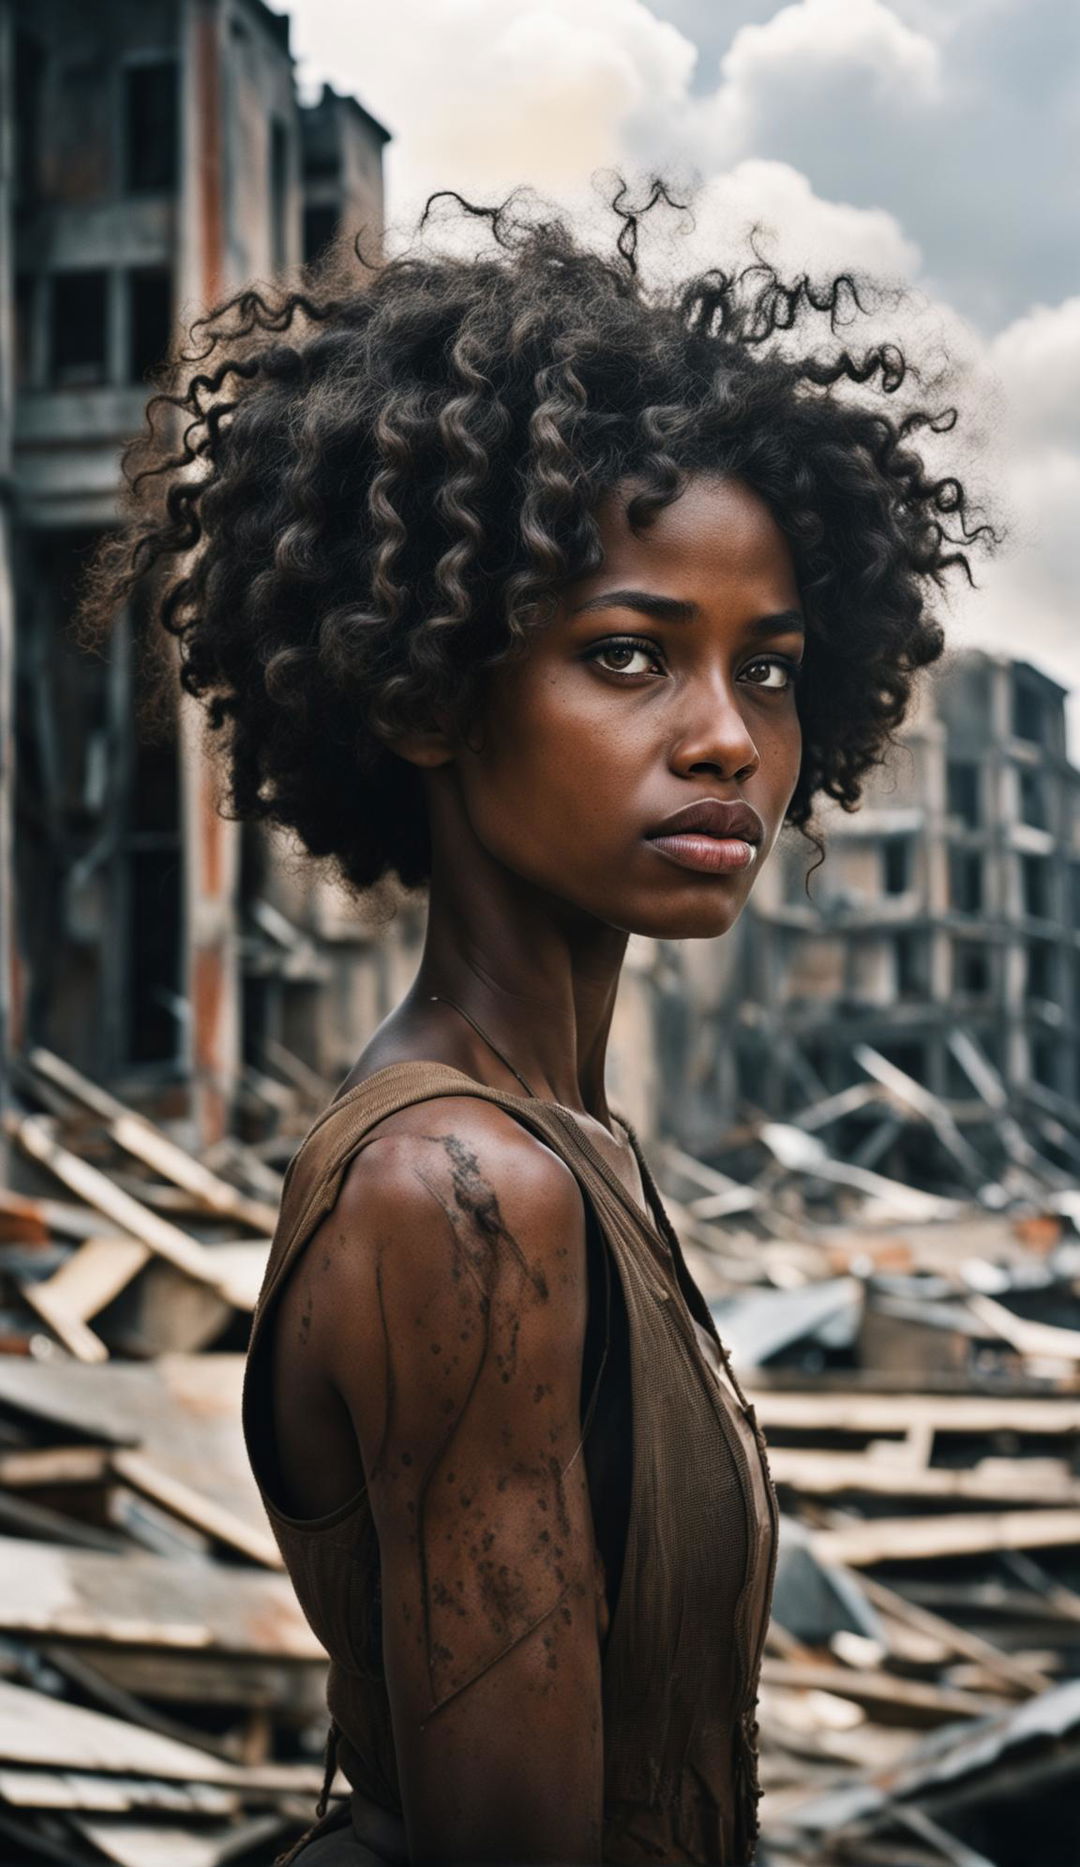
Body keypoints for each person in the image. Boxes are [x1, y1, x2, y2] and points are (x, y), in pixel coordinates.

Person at [85, 185, 989, 1866]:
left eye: (771, 669)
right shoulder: (459, 1197)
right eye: (633, 655)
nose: (727, 737)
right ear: (429, 685)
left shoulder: (559, 1146)